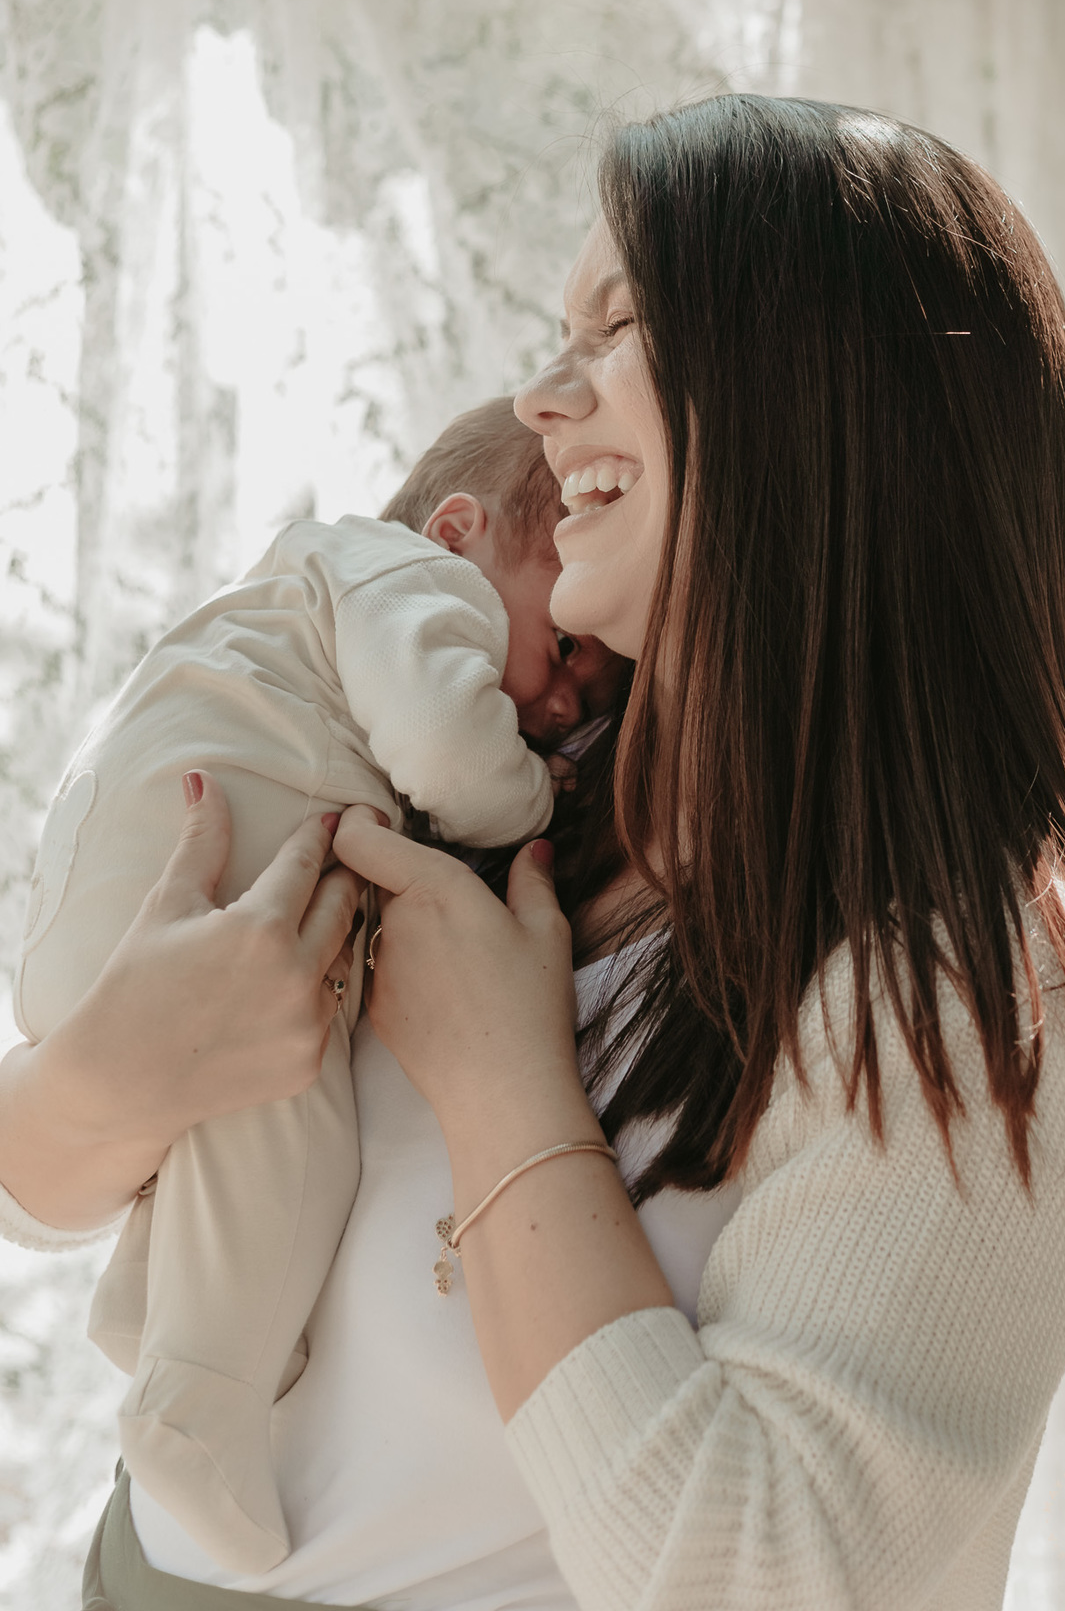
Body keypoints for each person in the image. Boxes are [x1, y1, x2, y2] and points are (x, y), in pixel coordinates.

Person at [0, 94, 1065, 1611]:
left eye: (618, 331)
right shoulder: (513, 788)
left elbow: (760, 1575)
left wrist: (503, 1084)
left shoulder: (967, 971)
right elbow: (48, 1190)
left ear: (815, 407)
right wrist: (115, 1067)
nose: (545, 401)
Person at [8, 397, 625, 1579]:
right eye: (565, 656)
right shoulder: (403, 581)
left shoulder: (318, 598)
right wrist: (535, 798)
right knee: (299, 1140)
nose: (562, 704)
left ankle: (168, 1325)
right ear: (456, 532)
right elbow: (454, 757)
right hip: (203, 873)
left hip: (137, 890)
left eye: (586, 705)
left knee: (236, 1144)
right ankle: (200, 1407)